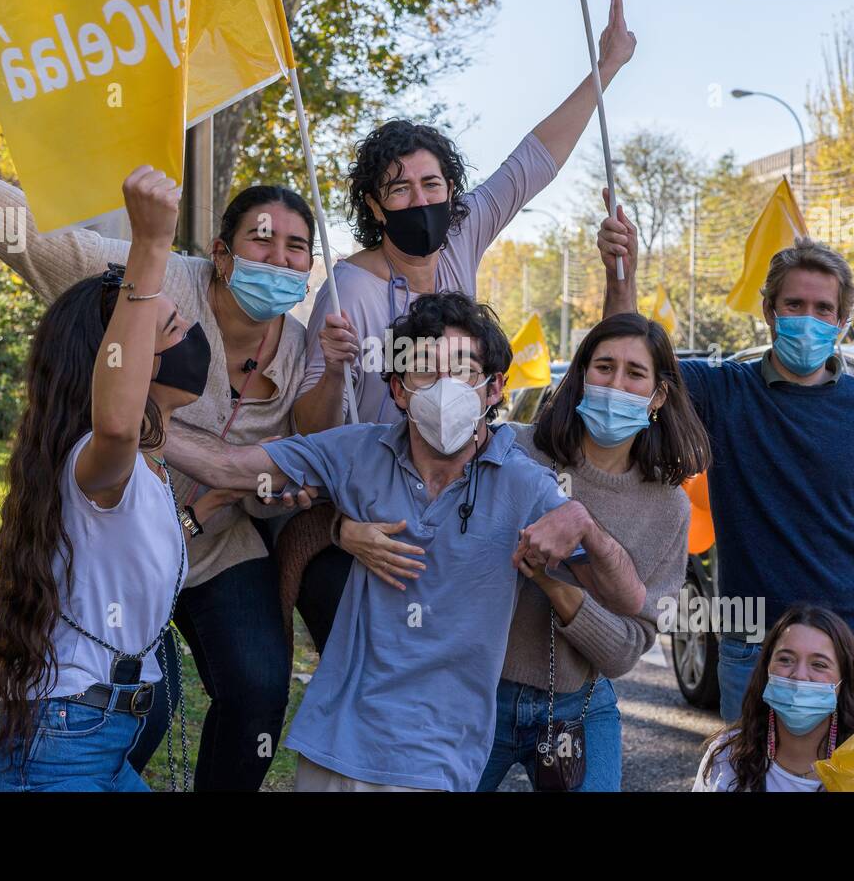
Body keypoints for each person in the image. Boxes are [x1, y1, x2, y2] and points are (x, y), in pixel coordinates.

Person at [0, 89, 358, 790]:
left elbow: (304, 457)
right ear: (219, 253)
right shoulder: (147, 285)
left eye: (296, 246)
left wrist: (268, 484)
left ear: (309, 267)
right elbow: (29, 235)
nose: (278, 256)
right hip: (108, 553)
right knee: (139, 710)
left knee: (258, 688)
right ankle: (61, 766)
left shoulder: (303, 348)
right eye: (260, 239)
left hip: (203, 542)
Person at [283, 0, 640, 653]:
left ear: (452, 193)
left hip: (459, 503)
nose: (419, 199)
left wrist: (607, 66)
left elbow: (534, 161)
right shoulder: (348, 289)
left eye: (432, 184)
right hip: (372, 515)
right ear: (374, 204)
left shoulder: (463, 237)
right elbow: (308, 426)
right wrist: (333, 369)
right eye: (399, 188)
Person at [173, 292, 644, 790]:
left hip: (434, 760)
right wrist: (137, 424)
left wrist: (586, 526)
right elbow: (227, 467)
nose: (445, 388)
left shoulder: (527, 486)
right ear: (399, 389)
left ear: (493, 388)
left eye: (463, 370)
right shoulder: (357, 451)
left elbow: (627, 600)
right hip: (332, 745)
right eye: (424, 371)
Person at [599, 210, 854, 724]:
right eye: (795, 305)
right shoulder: (723, 393)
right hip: (757, 651)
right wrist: (622, 275)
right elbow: (630, 358)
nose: (808, 319)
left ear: (841, 321)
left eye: (823, 309)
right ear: (769, 311)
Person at [336, 313, 710, 791]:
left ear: (658, 396)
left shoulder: (668, 506)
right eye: (603, 367)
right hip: (472, 693)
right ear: (579, 377)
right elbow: (409, 493)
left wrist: (554, 583)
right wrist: (342, 529)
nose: (615, 384)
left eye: (635, 373)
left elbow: (623, 650)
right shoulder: (513, 448)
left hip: (579, 706)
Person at [0, 166, 208, 790]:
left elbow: (125, 553)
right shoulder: (96, 459)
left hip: (98, 737)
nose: (190, 338)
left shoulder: (138, 476)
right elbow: (119, 425)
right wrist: (148, 247)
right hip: (60, 742)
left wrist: (210, 507)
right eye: (170, 328)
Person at [693, 604, 854, 792]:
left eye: (819, 664)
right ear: (766, 669)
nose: (799, 675)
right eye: (785, 659)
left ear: (844, 680)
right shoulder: (728, 757)